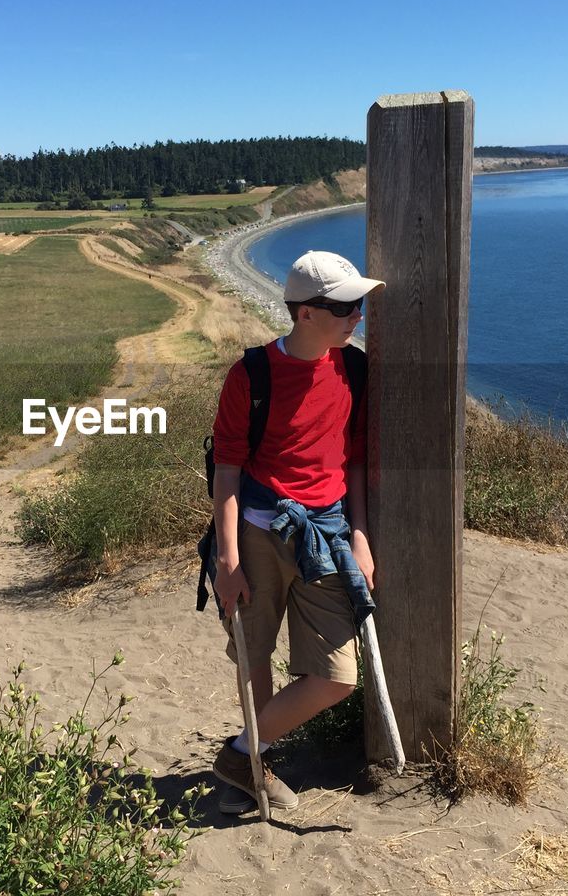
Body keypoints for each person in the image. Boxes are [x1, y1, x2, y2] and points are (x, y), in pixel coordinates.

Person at [209, 249, 384, 814]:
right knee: (254, 657)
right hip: (258, 536)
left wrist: (359, 536)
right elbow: (228, 470)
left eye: (359, 304)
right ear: (305, 313)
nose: (357, 315)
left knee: (336, 677)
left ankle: (241, 753)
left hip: (326, 536)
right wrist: (228, 560)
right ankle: (257, 770)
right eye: (345, 306)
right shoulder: (251, 375)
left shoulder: (352, 368)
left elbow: (353, 462)